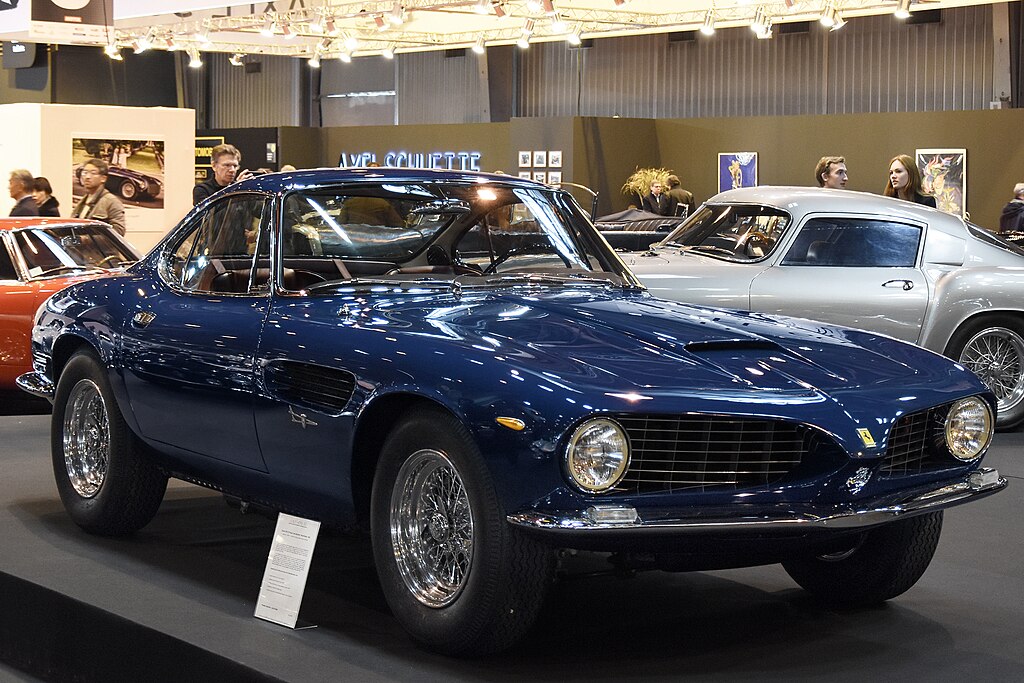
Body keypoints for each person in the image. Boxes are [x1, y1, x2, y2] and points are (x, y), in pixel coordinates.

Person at [71, 158, 126, 235]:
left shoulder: (111, 201)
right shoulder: (83, 201)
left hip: (99, 247)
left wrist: (87, 240)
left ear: (103, 178)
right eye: (85, 172)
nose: (87, 177)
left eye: (93, 173)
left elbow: (119, 232)